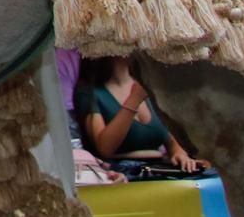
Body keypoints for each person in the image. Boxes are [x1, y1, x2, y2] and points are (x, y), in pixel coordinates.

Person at [75, 56, 203, 171]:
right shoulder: (90, 91)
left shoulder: (149, 84)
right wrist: (134, 99)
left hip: (160, 169)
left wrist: (179, 153)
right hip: (119, 172)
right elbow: (105, 148)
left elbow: (170, 137)